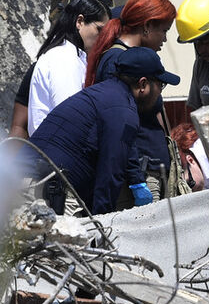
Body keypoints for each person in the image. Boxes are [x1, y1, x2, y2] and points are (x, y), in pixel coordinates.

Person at [28, 47, 179, 215]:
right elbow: (110, 174)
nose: (160, 93)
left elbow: (121, 150)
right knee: (74, 237)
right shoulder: (123, 111)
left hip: (22, 178)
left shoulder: (103, 94)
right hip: (45, 188)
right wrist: (102, 224)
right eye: (160, 84)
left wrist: (137, 181)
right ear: (143, 84)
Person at [85, 0, 177, 190]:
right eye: (164, 31)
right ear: (147, 26)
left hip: (152, 167)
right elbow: (119, 126)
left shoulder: (137, 57)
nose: (165, 39)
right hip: (143, 172)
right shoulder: (117, 62)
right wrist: (136, 179)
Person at [9, 0, 113, 139]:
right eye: (100, 29)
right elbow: (71, 122)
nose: (104, 37)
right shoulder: (64, 60)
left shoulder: (75, 57)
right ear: (79, 21)